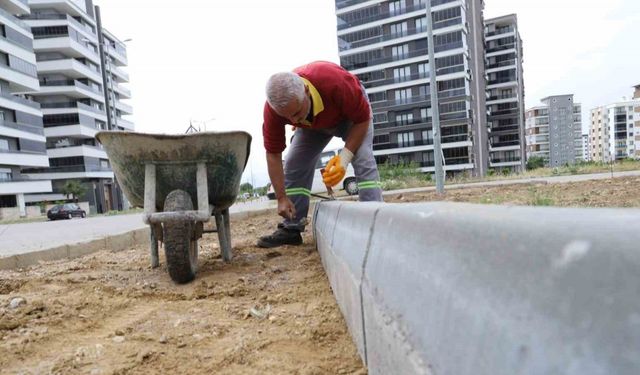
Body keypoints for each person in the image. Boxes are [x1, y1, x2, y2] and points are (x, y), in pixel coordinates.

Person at [257, 61, 383, 248]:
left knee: (362, 157)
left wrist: (344, 159)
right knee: (294, 162)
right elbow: (273, 153)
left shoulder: (336, 82)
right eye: (287, 117)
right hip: (313, 125)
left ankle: (375, 221)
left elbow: (362, 119)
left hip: (351, 118)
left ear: (306, 91)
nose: (294, 120)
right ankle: (292, 227)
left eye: (297, 112)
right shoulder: (275, 110)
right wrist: (282, 197)